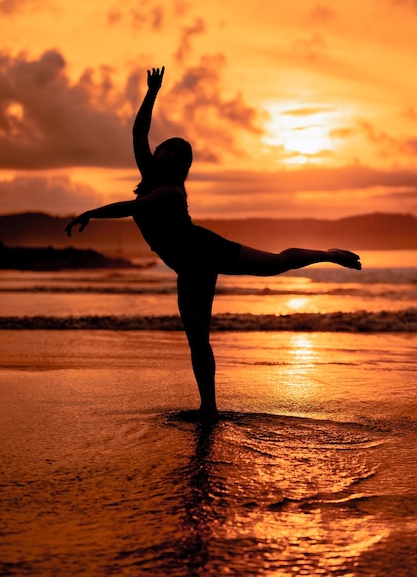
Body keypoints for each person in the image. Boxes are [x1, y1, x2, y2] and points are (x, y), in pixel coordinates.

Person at [66, 66, 361, 422]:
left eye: (178, 157)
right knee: (197, 339)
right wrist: (152, 92)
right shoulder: (150, 177)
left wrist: (90, 213)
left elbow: (132, 208)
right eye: (166, 151)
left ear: (183, 168)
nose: (169, 157)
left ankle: (329, 254)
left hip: (205, 250)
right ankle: (209, 406)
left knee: (276, 263)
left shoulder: (170, 192)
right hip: (189, 268)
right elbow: (138, 131)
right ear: (156, 153)